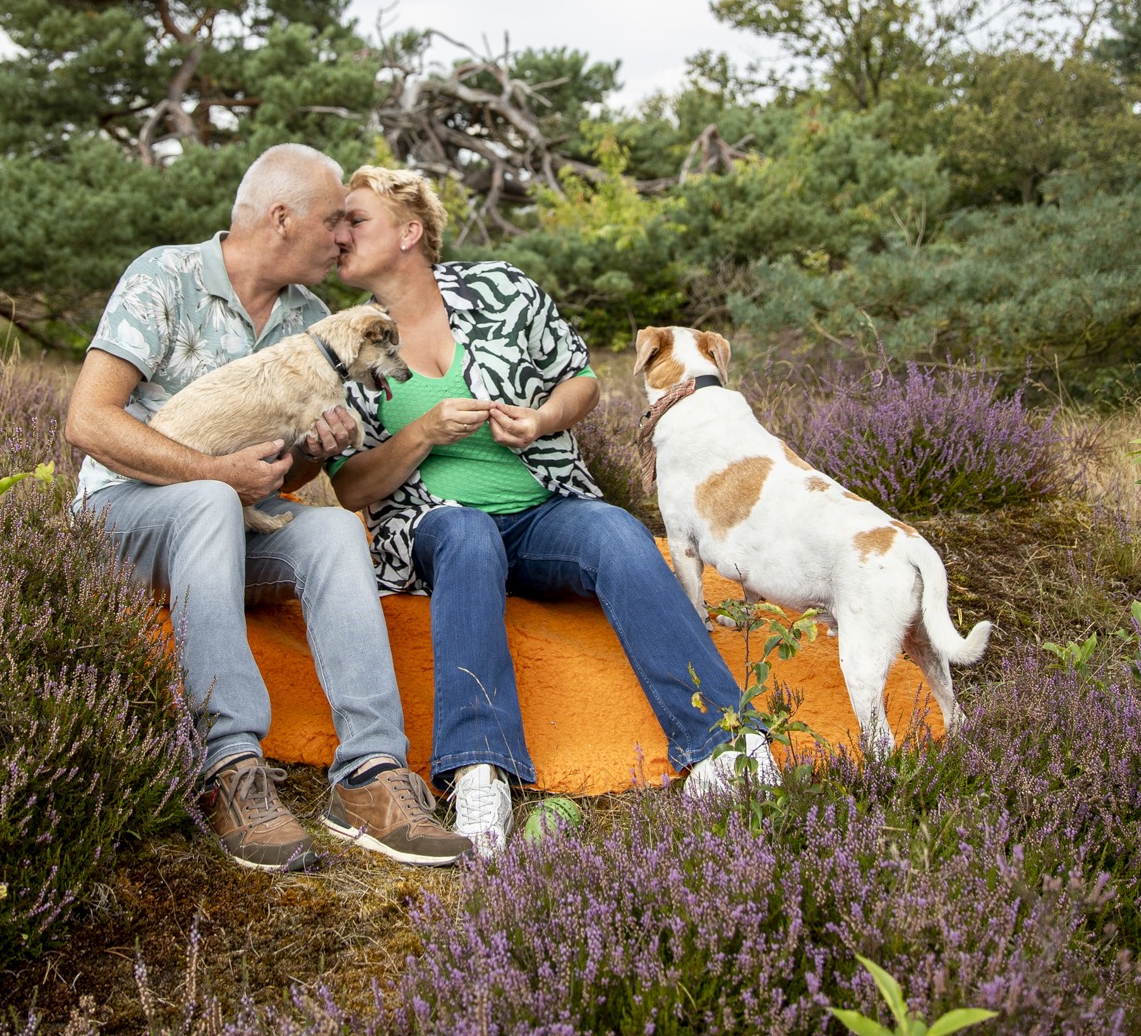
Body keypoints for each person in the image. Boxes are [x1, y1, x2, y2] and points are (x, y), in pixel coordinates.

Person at [325, 166, 768, 857]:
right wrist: (422, 433)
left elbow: (580, 380)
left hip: (540, 512)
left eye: (356, 219)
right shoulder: (344, 340)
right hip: (432, 525)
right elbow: (352, 488)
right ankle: (480, 769)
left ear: (410, 231)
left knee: (617, 533)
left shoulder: (500, 288)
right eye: (337, 223)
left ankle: (726, 746)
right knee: (468, 535)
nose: (339, 233)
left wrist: (539, 421)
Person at [63, 144, 471, 872]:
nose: (345, 238)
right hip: (126, 516)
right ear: (280, 219)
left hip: (229, 525)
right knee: (208, 503)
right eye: (332, 222)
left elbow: (289, 477)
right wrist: (213, 473)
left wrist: (317, 448)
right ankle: (229, 768)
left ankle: (371, 774)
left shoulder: (313, 318)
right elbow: (88, 422)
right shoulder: (165, 276)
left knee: (332, 537)